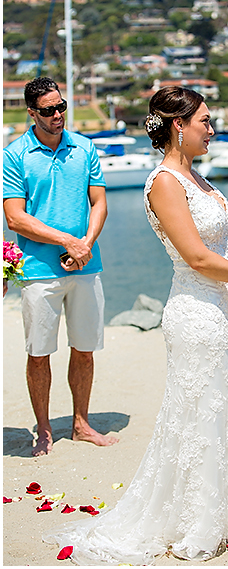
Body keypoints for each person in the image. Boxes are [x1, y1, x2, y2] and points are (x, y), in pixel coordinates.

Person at [44, 86, 228, 564]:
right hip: (195, 313)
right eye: (206, 122)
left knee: (221, 408)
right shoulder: (166, 183)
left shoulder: (197, 179)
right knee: (197, 413)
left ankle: (225, 510)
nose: (213, 131)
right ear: (179, 125)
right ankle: (197, 520)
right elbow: (196, 257)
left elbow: (225, 244)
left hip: (223, 309)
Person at [3, 76, 116, 457]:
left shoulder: (84, 147)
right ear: (32, 113)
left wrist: (83, 245)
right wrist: (66, 241)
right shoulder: (15, 154)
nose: (58, 115)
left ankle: (81, 423)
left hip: (86, 264)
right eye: (48, 110)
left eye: (61, 106)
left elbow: (99, 204)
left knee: (84, 349)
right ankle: (45, 430)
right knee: (39, 353)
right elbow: (15, 219)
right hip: (37, 269)